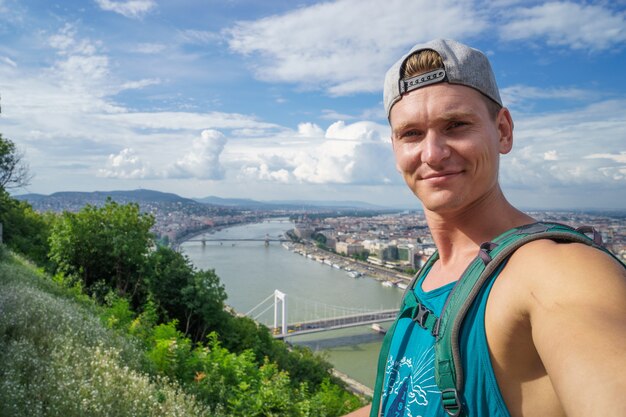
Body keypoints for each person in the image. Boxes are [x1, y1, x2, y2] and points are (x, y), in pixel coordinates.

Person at [345, 39, 626, 417]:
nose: (432, 153)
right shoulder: (433, 276)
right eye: (411, 134)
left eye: (456, 125)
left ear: (503, 132)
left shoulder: (560, 273)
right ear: (395, 150)